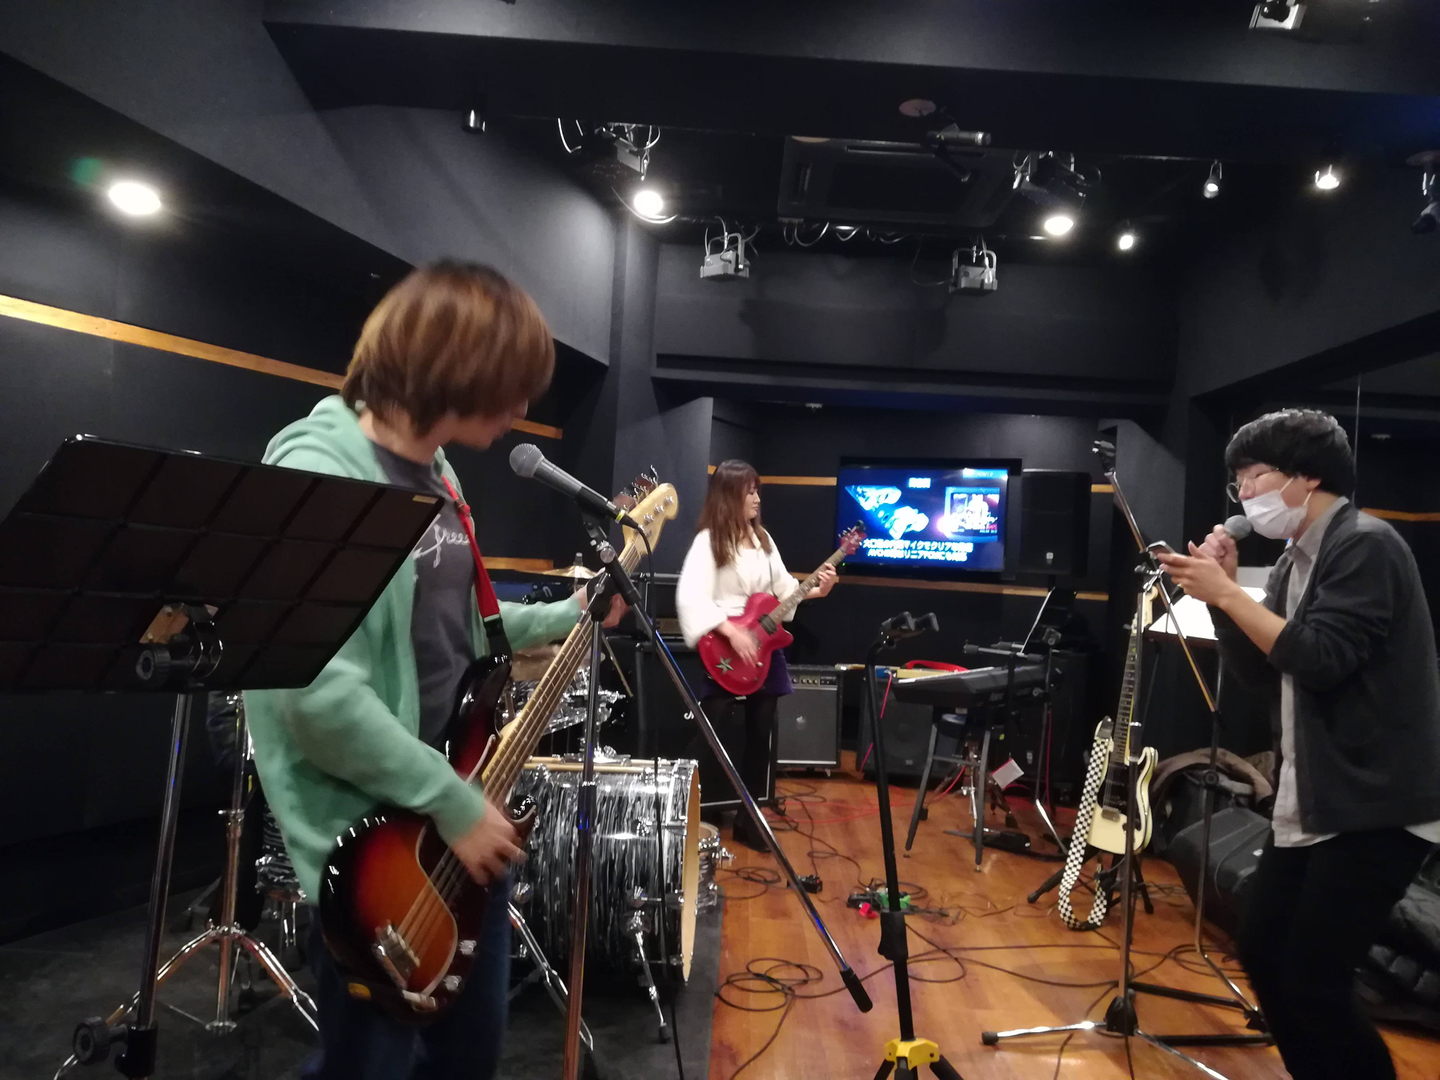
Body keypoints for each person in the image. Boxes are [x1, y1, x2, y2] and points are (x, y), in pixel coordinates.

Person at [244, 261, 621, 1080]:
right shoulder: (320, 473)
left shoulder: (439, 474)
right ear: (459, 370)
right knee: (370, 1065)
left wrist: (569, 611)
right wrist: (453, 802)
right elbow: (316, 696)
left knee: (465, 1059)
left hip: (456, 812)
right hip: (377, 844)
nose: (521, 408)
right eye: (512, 387)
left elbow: (464, 626)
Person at [1157, 408, 1440, 1080]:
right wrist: (1225, 600)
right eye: (1238, 482)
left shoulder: (1366, 545)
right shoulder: (1293, 562)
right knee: (1263, 952)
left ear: (1306, 477)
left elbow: (1322, 659)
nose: (1243, 495)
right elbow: (1262, 674)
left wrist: (1229, 595)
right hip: (1311, 799)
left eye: (1253, 477)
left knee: (1315, 977)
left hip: (1374, 804)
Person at [675, 459, 837, 850]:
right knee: (711, 733)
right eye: (750, 491)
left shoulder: (763, 540)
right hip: (725, 645)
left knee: (760, 736)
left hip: (763, 647)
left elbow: (785, 591)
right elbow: (690, 596)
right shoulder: (708, 541)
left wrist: (818, 591)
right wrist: (732, 631)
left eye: (757, 490)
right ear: (730, 495)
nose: (757, 498)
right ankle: (677, 809)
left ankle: (749, 820)